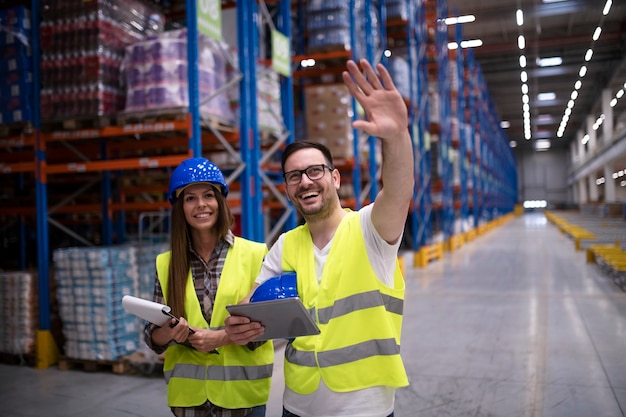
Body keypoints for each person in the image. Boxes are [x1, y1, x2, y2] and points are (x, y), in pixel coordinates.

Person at [225, 58, 414, 417]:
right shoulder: (286, 244)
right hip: (298, 403)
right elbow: (254, 305)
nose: (305, 181)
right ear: (287, 188)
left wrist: (397, 137)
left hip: (363, 407)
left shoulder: (371, 229)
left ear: (335, 178)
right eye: (294, 176)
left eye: (315, 171)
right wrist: (240, 325)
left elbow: (399, 188)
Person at [144, 156, 273, 417]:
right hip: (189, 399)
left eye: (208, 196)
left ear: (220, 201)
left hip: (242, 397)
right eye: (190, 198)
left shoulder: (256, 254)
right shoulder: (166, 264)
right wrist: (170, 333)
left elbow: (268, 327)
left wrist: (220, 338)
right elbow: (152, 337)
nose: (200, 204)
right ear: (180, 207)